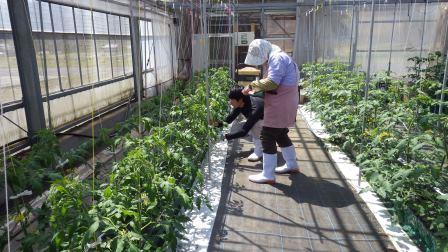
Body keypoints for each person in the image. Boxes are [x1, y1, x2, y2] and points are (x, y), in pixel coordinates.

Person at [243, 39, 299, 184]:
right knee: (280, 134)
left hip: (281, 102)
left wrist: (252, 85)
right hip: (285, 101)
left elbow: (272, 82)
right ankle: (292, 164)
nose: (261, 63)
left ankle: (268, 174)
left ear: (263, 52)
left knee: (267, 136)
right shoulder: (276, 55)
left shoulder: (277, 58)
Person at [213, 86, 264, 162]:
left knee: (255, 125)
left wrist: (225, 137)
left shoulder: (254, 108)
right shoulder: (242, 103)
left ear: (240, 99)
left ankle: (259, 151)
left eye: (231, 100)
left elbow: (243, 132)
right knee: (238, 128)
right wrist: (214, 124)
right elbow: (228, 120)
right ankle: (260, 141)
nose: (230, 102)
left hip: (273, 124)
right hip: (262, 121)